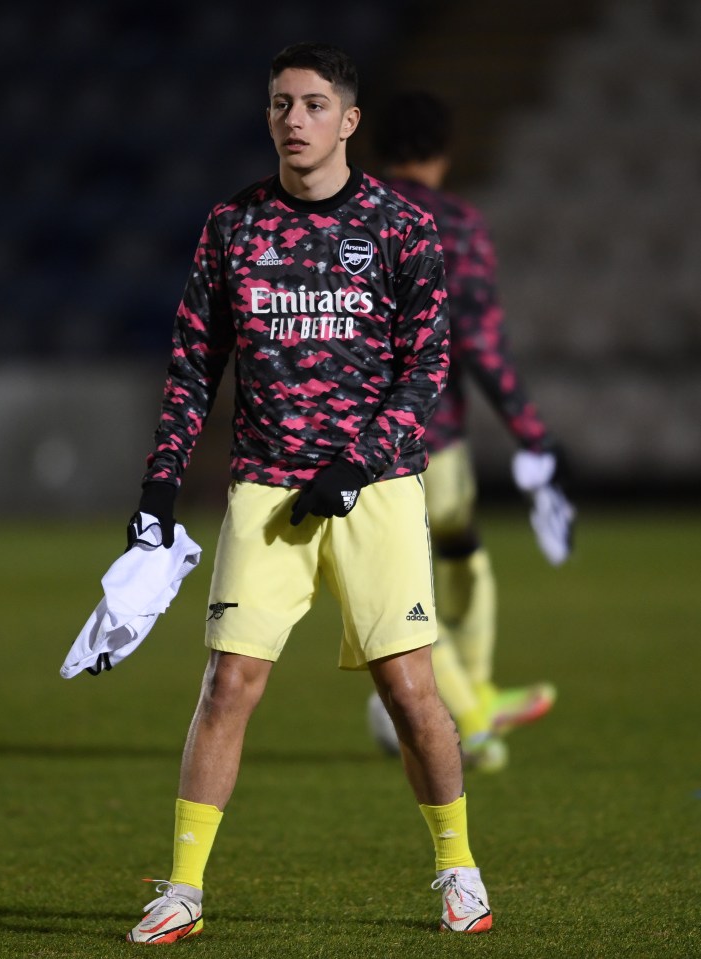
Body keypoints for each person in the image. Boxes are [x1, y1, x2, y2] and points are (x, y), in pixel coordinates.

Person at [123, 44, 492, 943]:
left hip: (376, 493)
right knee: (228, 683)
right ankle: (182, 888)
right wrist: (158, 487)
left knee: (410, 690)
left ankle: (458, 868)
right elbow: (191, 368)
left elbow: (426, 371)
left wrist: (358, 462)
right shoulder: (233, 227)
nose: (295, 119)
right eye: (282, 104)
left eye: (314, 104)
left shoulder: (401, 228)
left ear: (349, 121)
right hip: (265, 490)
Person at [365, 90, 575, 773]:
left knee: (414, 585)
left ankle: (473, 698)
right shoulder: (454, 223)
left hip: (361, 438)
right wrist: (532, 434)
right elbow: (480, 345)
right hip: (437, 435)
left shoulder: (352, 217)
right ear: (444, 151)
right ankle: (474, 709)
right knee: (457, 558)